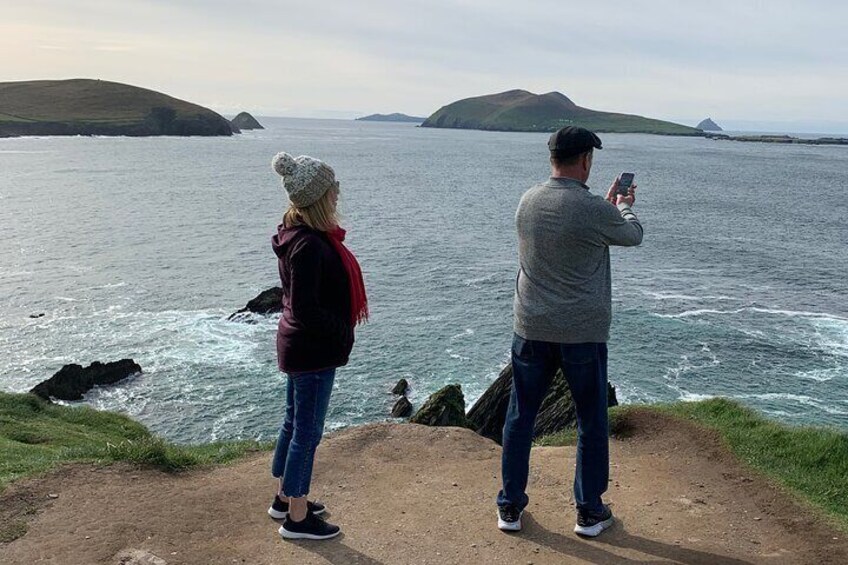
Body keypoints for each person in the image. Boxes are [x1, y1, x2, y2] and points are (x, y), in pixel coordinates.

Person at [497, 126, 642, 537]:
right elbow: (632, 235)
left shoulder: (528, 201)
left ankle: (509, 507)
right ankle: (589, 512)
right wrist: (623, 206)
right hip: (582, 332)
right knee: (590, 421)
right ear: (585, 160)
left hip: (531, 327)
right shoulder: (594, 209)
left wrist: (606, 207)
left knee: (519, 418)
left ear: (552, 159)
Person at [267, 152, 368, 541]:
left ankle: (283, 498)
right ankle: (296, 517)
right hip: (312, 350)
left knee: (294, 424)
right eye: (333, 188)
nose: (338, 193)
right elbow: (308, 307)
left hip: (298, 345)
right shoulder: (310, 244)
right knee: (306, 432)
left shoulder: (294, 234)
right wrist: (342, 332)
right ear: (320, 197)